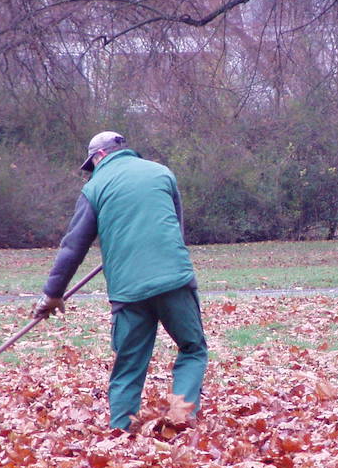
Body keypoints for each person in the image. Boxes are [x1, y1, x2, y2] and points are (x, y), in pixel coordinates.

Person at [33, 131, 208, 432]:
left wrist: (52, 294)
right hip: (174, 279)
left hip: (128, 291)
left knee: (128, 364)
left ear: (98, 157)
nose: (91, 172)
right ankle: (182, 415)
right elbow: (176, 231)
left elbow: (73, 246)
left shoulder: (94, 188)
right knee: (192, 348)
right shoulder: (162, 173)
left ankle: (120, 433)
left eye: (91, 165)